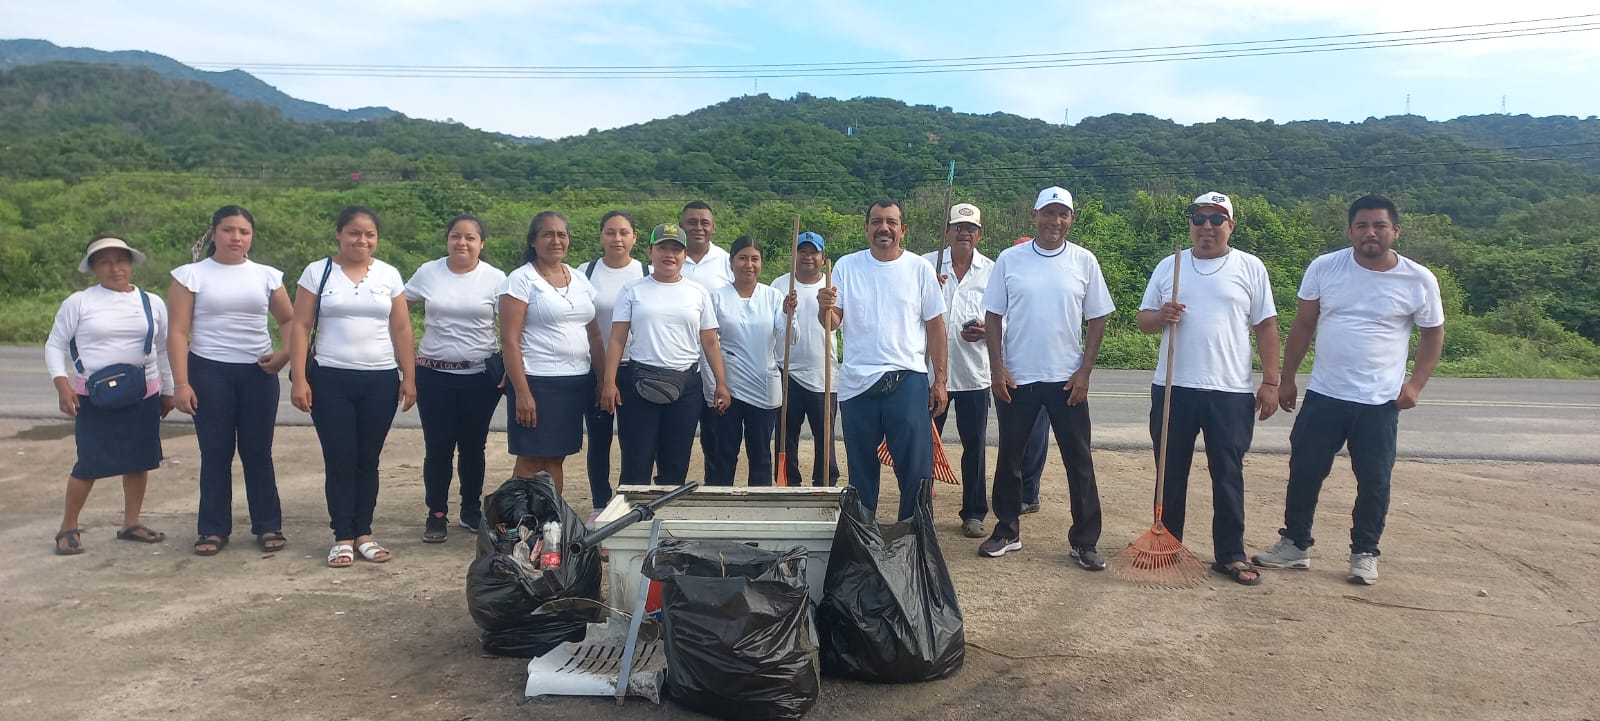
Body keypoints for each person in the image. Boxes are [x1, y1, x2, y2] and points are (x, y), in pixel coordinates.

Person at [1252, 194, 1445, 586]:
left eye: (1379, 225)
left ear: (1395, 230)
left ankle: (1365, 552)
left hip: (1380, 401)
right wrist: (1287, 379)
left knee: (1374, 480)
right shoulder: (1326, 267)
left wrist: (1416, 385)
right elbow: (1304, 324)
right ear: (1350, 230)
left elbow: (1433, 335)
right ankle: (1295, 544)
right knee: (1304, 470)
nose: (1370, 233)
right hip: (1326, 394)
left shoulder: (1418, 279)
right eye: (1361, 226)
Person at [1136, 192, 1280, 586]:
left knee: (1228, 473)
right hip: (1173, 386)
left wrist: (1270, 381)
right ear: (1191, 224)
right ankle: (1168, 546)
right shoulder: (1172, 265)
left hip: (1230, 390)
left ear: (1230, 226)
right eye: (1199, 218)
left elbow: (1266, 325)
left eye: (1217, 220)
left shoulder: (1249, 267)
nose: (1207, 227)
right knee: (1169, 472)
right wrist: (1161, 316)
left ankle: (1230, 554)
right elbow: (1143, 321)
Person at [981, 187, 1114, 568]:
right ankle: (1007, 531)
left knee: (1080, 461)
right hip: (1018, 378)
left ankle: (1085, 541)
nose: (1056, 222)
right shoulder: (1010, 260)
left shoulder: (1084, 261)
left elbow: (1098, 317)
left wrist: (1085, 371)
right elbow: (992, 316)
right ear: (1034, 215)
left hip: (1066, 380)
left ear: (1071, 219)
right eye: (1049, 213)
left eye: (1063, 215)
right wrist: (998, 368)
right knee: (1010, 459)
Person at [289, 206, 417, 568]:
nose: (362, 240)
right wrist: (300, 378)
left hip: (379, 379)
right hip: (330, 378)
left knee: (368, 460)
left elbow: (402, 328)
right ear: (339, 234)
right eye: (354, 233)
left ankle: (365, 534)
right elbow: (300, 326)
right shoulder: (318, 272)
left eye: (369, 234)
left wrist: (409, 376)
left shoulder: (388, 274)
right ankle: (342, 536)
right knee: (340, 459)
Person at [167, 205, 295, 556]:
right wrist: (181, 383)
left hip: (258, 373)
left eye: (243, 232)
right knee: (215, 453)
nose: (236, 237)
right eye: (228, 230)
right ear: (214, 233)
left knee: (258, 453)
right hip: (208, 371)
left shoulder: (267, 275)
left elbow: (289, 321)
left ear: (251, 237)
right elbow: (177, 332)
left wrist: (284, 355)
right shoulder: (190, 275)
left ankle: (268, 525)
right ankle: (212, 529)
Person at [818, 200, 948, 521]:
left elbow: (935, 326)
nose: (883, 228)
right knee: (861, 470)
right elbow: (833, 322)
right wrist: (824, 306)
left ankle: (914, 535)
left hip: (907, 379)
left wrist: (940, 380)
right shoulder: (847, 266)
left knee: (914, 469)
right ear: (866, 228)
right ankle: (862, 537)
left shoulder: (919, 268)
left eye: (891, 222)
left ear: (903, 230)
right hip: (857, 385)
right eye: (876, 222)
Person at [45, 237, 176, 555]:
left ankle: (131, 523)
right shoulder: (79, 303)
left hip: (143, 393)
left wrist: (169, 390)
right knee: (89, 463)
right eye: (104, 261)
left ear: (130, 264)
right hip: (94, 397)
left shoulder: (151, 302)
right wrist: (62, 385)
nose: (115, 268)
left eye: (121, 260)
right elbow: (55, 344)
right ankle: (68, 528)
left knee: (138, 460)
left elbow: (162, 348)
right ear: (93, 268)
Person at [599, 223, 732, 485]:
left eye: (676, 249)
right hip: (640, 383)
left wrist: (721, 383)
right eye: (663, 248)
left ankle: (664, 516)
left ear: (684, 255)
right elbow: (617, 339)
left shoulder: (697, 292)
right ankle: (632, 520)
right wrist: (608, 382)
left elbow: (710, 341)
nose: (669, 255)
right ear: (650, 251)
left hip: (686, 386)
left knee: (676, 461)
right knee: (637, 460)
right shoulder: (632, 290)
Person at [405, 214, 507, 543]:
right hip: (433, 374)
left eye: (470, 238)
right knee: (437, 448)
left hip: (480, 376)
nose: (462, 243)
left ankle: (470, 510)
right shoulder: (428, 272)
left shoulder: (494, 278)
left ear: (481, 244)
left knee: (473, 448)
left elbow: (511, 325)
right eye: (455, 236)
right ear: (447, 239)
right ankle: (436, 513)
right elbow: (398, 309)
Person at [500, 211, 604, 496]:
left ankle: (550, 523)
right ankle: (514, 524)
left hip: (575, 384)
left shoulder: (580, 279)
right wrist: (521, 392)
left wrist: (603, 380)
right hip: (536, 382)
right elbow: (509, 340)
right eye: (548, 234)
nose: (556, 240)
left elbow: (594, 334)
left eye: (562, 234)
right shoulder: (520, 280)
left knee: (556, 457)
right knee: (531, 457)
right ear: (533, 241)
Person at [922, 203, 997, 538]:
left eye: (970, 229)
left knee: (975, 444)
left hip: (972, 373)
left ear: (979, 234)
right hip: (929, 374)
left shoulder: (993, 270)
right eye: (958, 228)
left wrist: (988, 330)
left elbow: (1004, 316)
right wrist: (927, 289)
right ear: (947, 231)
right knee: (923, 443)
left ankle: (974, 511)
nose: (964, 234)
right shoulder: (925, 265)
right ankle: (919, 508)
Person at [578, 211, 648, 511]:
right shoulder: (585, 272)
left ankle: (627, 504)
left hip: (635, 368)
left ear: (634, 237)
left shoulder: (646, 271)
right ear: (601, 236)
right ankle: (599, 503)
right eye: (610, 232)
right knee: (599, 440)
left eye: (623, 232)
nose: (616, 239)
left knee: (634, 442)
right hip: (595, 368)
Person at [708, 236, 786, 486]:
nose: (748, 264)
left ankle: (759, 508)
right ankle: (719, 510)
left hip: (764, 386)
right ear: (731, 262)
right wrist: (716, 385)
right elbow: (709, 343)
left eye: (754, 259)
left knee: (761, 454)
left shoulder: (773, 296)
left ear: (761, 263)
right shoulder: (717, 297)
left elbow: (789, 338)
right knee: (724, 452)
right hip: (728, 387)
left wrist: (788, 313)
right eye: (742, 258)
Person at [772, 231, 840, 487]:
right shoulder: (780, 285)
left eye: (814, 252)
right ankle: (788, 484)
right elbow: (774, 327)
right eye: (803, 251)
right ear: (795, 254)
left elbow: (837, 324)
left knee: (825, 436)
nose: (808, 257)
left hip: (824, 373)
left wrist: (828, 307)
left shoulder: (832, 286)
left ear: (823, 258)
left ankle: (825, 483)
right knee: (785, 436)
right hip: (786, 370)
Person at [676, 201, 733, 486]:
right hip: (678, 366)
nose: (698, 227)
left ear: (713, 227)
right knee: (676, 442)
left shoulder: (726, 262)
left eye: (704, 222)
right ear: (682, 225)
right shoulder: (670, 257)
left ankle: (716, 498)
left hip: (714, 365)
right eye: (692, 221)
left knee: (716, 440)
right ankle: (672, 497)